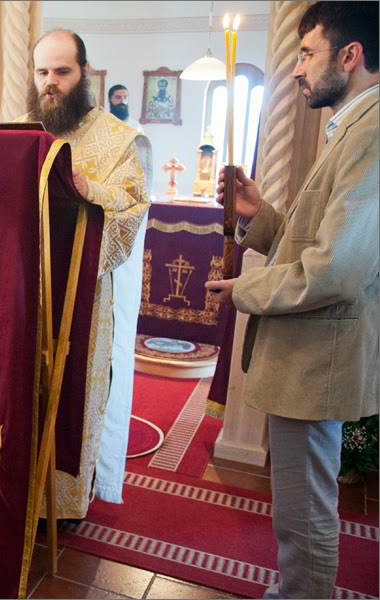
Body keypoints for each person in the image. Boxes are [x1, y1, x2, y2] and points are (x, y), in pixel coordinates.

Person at [205, 3, 378, 597]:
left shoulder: (372, 132)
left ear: (350, 56)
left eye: (307, 54)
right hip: (311, 353)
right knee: (297, 509)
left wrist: (245, 290)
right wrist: (260, 215)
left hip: (316, 358)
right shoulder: (351, 126)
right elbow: (314, 243)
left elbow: (337, 271)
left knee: (303, 512)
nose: (298, 69)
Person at [19, 29, 151, 519]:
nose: (50, 83)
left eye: (62, 71)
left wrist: (87, 188)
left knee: (70, 396)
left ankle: (62, 506)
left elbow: (132, 206)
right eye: (42, 72)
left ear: (85, 73)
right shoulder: (20, 135)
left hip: (81, 296)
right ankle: (13, 496)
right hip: (18, 291)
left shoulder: (118, 141)